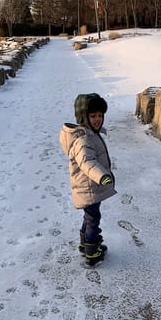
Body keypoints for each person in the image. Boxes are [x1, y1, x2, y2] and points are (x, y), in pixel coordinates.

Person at [59, 93, 116, 266]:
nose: (98, 119)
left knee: (89, 216)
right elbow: (87, 162)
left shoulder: (90, 133)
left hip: (90, 186)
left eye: (100, 115)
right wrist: (103, 176)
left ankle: (86, 243)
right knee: (93, 218)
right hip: (89, 186)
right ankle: (92, 252)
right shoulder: (83, 139)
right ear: (84, 117)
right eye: (93, 116)